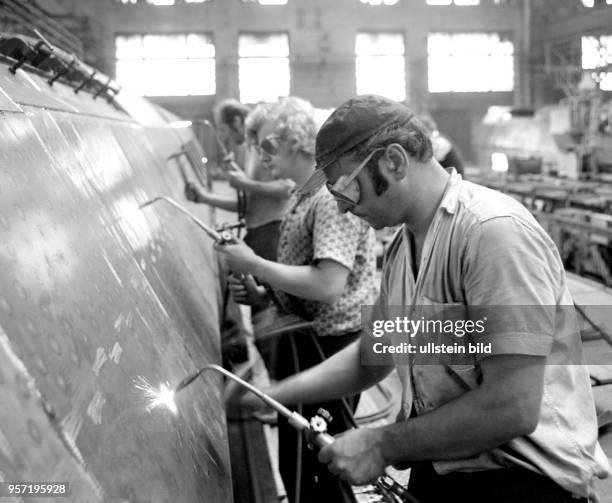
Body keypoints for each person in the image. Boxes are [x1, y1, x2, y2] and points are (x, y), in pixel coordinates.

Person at [225, 94, 611, 503]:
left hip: (520, 480)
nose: (340, 209)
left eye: (344, 187)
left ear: (392, 162)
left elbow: (512, 404)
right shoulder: (404, 247)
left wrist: (381, 444)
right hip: (448, 464)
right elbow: (373, 353)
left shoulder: (493, 234)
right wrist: (279, 395)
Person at [216, 96, 377, 503]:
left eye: (268, 143)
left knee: (320, 464)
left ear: (298, 140)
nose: (259, 153)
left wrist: (255, 263)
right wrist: (265, 292)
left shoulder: (328, 199)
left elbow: (327, 284)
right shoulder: (303, 196)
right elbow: (308, 275)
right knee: (301, 459)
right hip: (310, 342)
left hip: (330, 347)